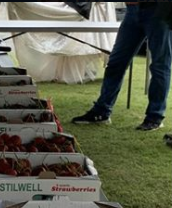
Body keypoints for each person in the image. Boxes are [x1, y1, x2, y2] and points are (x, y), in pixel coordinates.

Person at [72, 1, 172, 131]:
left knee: (160, 66)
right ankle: (102, 111)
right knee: (116, 63)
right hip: (132, 10)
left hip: (158, 9)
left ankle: (155, 117)